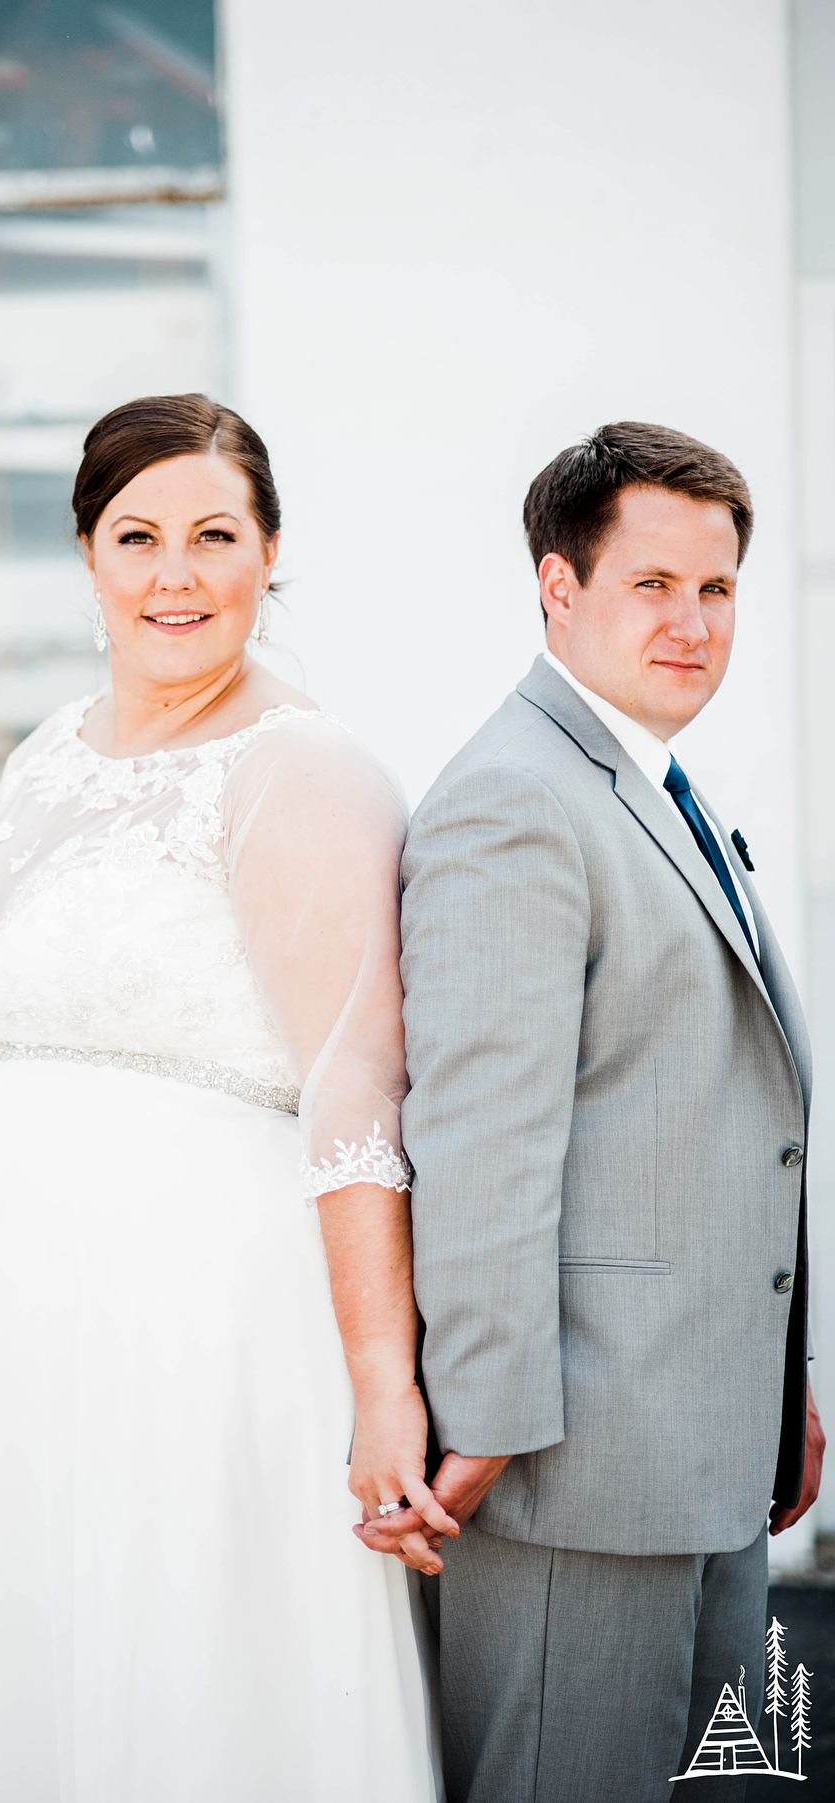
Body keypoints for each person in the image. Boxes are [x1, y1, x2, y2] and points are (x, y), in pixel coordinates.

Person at [0, 393, 448, 1802]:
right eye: (139, 537)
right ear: (88, 554)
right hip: (12, 1307)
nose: (175, 575)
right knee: (35, 1656)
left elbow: (359, 1084)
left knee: (189, 1666)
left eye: (214, 536)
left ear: (270, 550)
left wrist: (382, 1385)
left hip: (200, 1309)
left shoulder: (299, 765)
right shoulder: (50, 754)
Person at [376, 422, 824, 1802]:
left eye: (719, 590)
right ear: (558, 588)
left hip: (707, 1439)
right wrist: (493, 1436)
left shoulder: (657, 787)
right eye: (652, 585)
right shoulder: (514, 804)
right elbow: (481, 1146)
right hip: (570, 1475)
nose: (692, 624)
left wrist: (784, 1387)